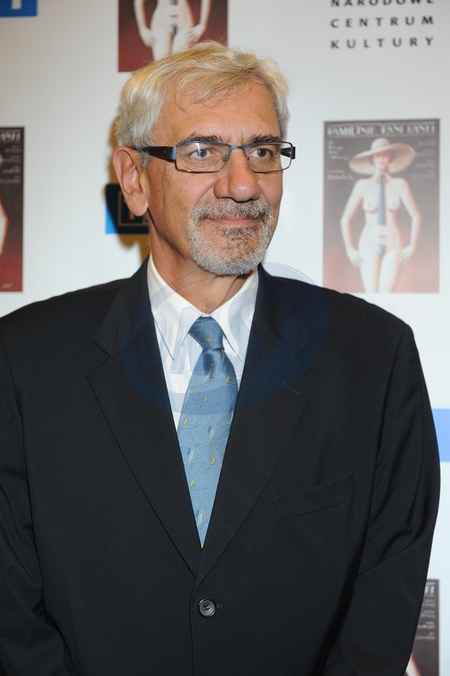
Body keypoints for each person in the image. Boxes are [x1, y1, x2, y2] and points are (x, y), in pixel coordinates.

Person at [0, 41, 439, 675]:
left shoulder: (376, 359)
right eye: (202, 151)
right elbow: (12, 614)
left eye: (262, 151)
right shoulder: (24, 361)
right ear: (134, 179)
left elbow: (382, 601)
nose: (242, 184)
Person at [340, 137, 422, 293]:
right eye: (378, 155)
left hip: (394, 243)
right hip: (368, 243)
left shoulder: (400, 184)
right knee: (371, 295)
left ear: (391, 157)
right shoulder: (362, 185)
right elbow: (346, 218)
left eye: (385, 154)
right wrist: (350, 248)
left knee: (387, 294)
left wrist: (412, 245)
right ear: (372, 158)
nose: (381, 159)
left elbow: (416, 215)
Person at [134, 0, 211, 61]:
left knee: (179, 65)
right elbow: (138, 1)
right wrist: (142, 29)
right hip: (161, 24)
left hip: (184, 24)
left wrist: (203, 24)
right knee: (162, 66)